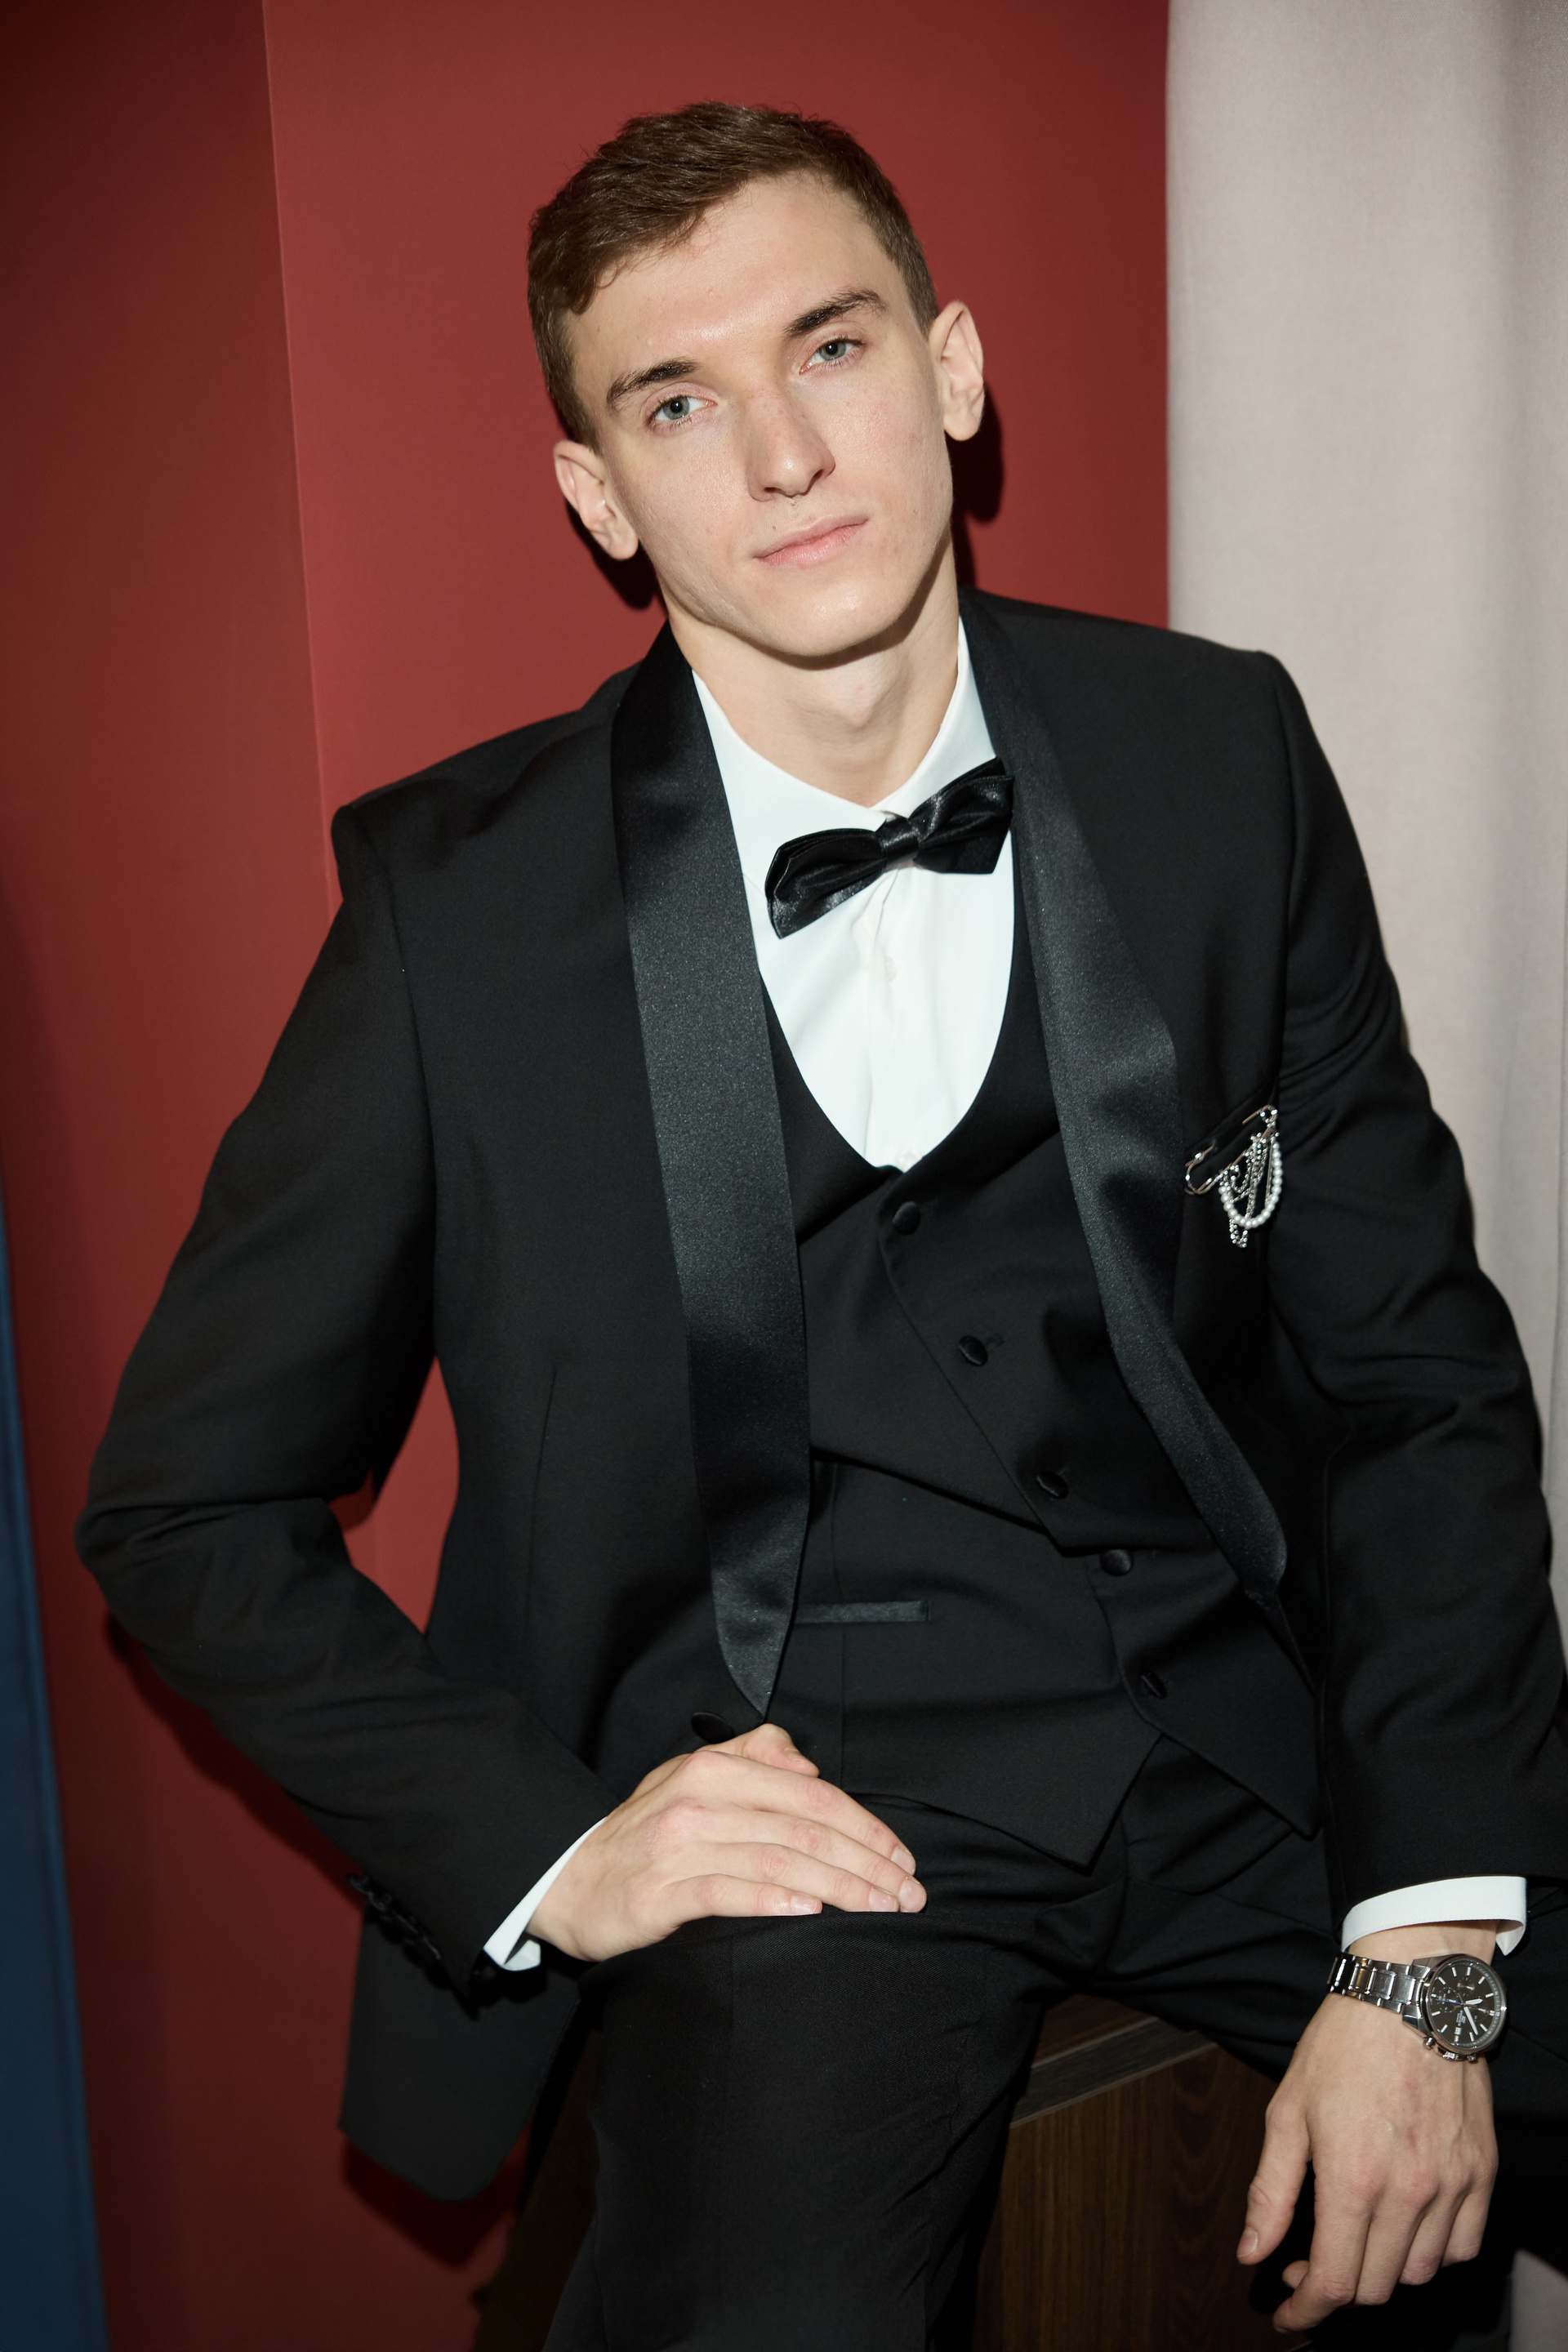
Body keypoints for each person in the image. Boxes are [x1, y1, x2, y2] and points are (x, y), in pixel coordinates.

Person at [80, 102, 1568, 2347]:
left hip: (1245, 1724)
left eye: (833, 347)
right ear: (599, 491)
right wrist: (562, 1843)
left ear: (950, 369)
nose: (782, 455)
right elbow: (181, 1504)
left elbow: (1415, 1378)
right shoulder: (458, 915)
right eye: (679, 403)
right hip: (809, 1825)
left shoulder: (1216, 756)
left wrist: (1429, 1952)